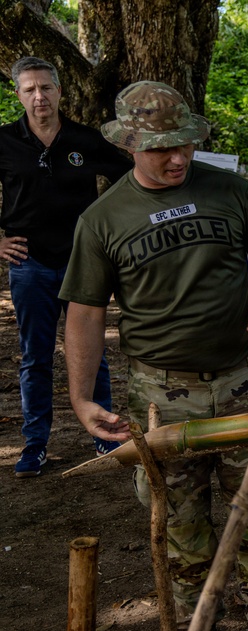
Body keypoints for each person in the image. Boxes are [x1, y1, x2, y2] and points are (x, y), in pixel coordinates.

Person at [60, 81, 248, 631]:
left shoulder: (231, 192)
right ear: (129, 144)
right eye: (163, 147)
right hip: (163, 396)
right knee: (180, 532)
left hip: (245, 380)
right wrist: (80, 397)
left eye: (186, 144)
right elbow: (85, 314)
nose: (178, 157)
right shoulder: (103, 219)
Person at [0, 56, 132, 478]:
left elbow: (129, 180)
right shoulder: (4, 141)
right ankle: (35, 444)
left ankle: (104, 434)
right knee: (35, 357)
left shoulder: (85, 139)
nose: (39, 96)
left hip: (83, 265)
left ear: (59, 91)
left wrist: (115, 232)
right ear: (18, 94)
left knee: (94, 355)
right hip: (30, 265)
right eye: (29, 89)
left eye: (46, 87)